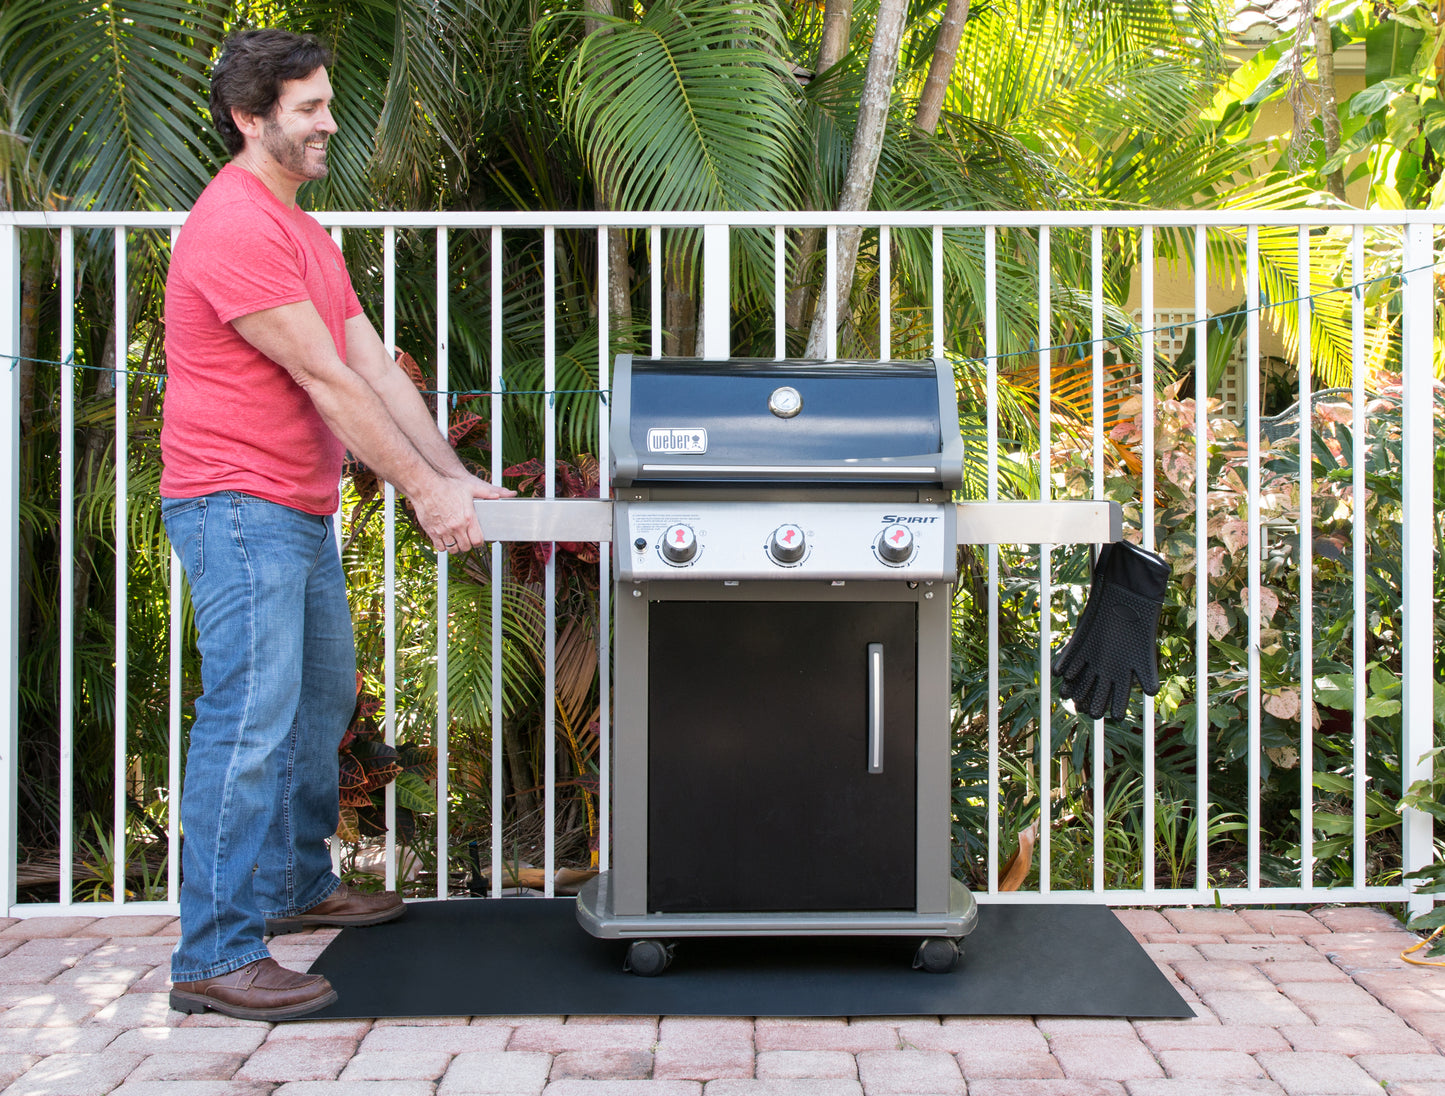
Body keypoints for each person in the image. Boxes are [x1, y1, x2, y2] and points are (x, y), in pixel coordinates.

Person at [160, 28, 512, 1022]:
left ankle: (288, 885)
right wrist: (419, 495)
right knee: (249, 724)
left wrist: (453, 475)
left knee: (317, 708)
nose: (328, 121)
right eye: (309, 108)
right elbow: (320, 380)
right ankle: (213, 955)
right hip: (235, 505)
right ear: (249, 117)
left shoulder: (304, 233)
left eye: (325, 102)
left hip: (293, 507)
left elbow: (369, 366)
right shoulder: (233, 225)